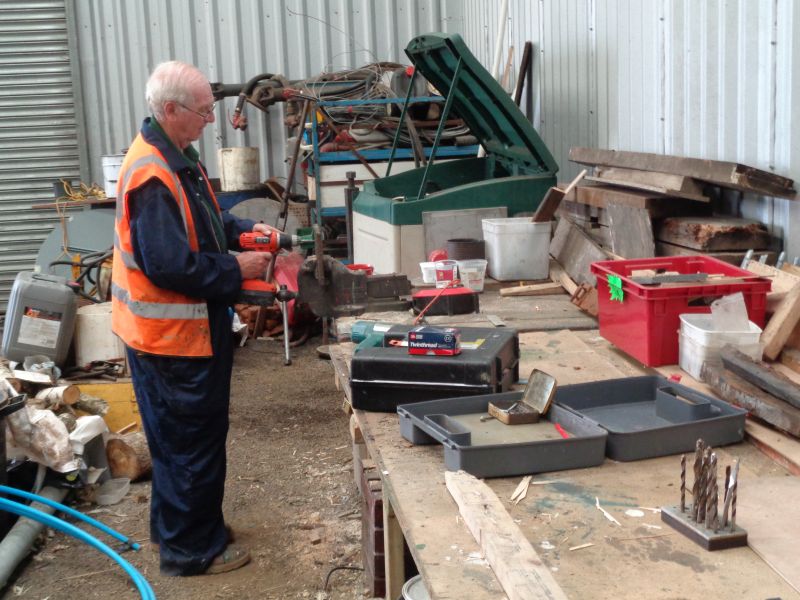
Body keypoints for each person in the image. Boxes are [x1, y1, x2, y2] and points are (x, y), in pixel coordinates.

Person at [111, 60, 272, 576]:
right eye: (203, 112)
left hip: (184, 333)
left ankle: (183, 527)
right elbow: (171, 265)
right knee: (189, 443)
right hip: (171, 340)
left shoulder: (177, 155)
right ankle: (190, 550)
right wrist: (235, 268)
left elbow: (209, 220)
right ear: (172, 109)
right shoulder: (153, 174)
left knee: (181, 441)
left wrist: (250, 233)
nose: (210, 120)